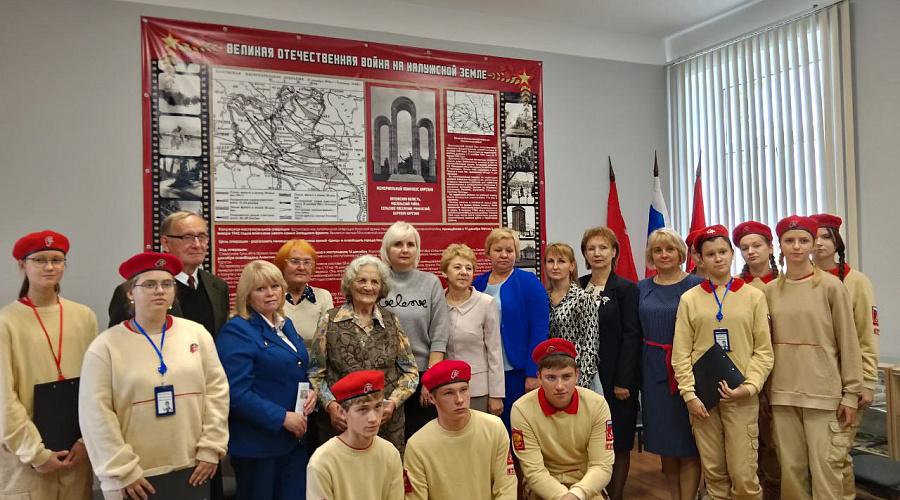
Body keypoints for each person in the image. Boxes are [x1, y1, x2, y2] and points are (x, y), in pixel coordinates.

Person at [79, 252, 229, 500]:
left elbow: (217, 392)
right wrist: (123, 470)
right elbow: (95, 414)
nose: (159, 290)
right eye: (149, 285)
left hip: (192, 467)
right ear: (130, 293)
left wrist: (211, 448)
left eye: (167, 284)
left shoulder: (196, 334)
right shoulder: (105, 346)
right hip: (134, 478)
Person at [672, 225, 774, 500]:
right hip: (703, 399)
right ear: (700, 259)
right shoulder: (689, 299)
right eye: (710, 254)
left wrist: (749, 387)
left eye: (723, 252)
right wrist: (689, 395)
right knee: (714, 473)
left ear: (732, 254)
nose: (718, 258)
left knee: (744, 475)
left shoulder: (753, 296)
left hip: (741, 397)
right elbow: (681, 354)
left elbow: (764, 351)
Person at [764, 215, 862, 500]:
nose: (796, 246)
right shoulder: (769, 291)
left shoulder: (832, 287)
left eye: (803, 240)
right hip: (782, 393)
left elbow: (849, 342)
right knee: (791, 471)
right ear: (780, 246)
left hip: (823, 393)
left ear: (812, 244)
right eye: (789, 240)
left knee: (826, 470)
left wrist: (851, 393)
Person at [0, 231, 97, 500]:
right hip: (26, 459)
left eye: (57, 259)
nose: (49, 267)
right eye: (40, 260)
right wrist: (36, 454)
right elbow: (4, 399)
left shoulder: (84, 316)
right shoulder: (6, 322)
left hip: (76, 453)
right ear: (22, 265)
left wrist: (85, 441)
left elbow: (96, 387)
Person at [215, 260, 318, 500]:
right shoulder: (237, 330)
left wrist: (311, 390)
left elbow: (297, 366)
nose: (270, 293)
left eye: (275, 286)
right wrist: (282, 418)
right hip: (259, 446)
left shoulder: (285, 324)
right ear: (247, 295)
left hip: (293, 441)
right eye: (261, 289)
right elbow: (236, 393)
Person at [308, 255, 419, 453]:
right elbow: (315, 373)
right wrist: (331, 406)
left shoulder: (391, 321)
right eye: (362, 280)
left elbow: (410, 372)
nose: (368, 287)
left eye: (374, 282)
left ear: (381, 288)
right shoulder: (329, 320)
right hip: (343, 425)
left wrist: (393, 403)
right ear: (350, 284)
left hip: (386, 427)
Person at [810, 213, 879, 500]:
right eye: (814, 237)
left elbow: (867, 334)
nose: (820, 243)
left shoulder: (856, 281)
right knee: (812, 462)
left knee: (835, 457)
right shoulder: (800, 281)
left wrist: (867, 382)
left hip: (845, 384)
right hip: (811, 383)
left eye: (826, 237)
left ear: (837, 242)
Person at [638, 228, 704, 500]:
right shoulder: (641, 288)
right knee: (665, 440)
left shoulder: (697, 285)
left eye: (670, 249)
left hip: (688, 371)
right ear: (651, 255)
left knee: (688, 442)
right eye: (657, 250)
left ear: (681, 253)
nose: (664, 255)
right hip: (652, 372)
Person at [578, 226, 641, 500]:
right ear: (584, 254)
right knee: (585, 441)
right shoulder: (578, 285)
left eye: (603, 247)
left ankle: (615, 496)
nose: (597, 253)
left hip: (617, 379)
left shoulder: (626, 289)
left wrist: (623, 381)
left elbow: (632, 336)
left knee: (617, 443)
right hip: (583, 378)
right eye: (591, 248)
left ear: (614, 252)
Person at [510, 339, 615, 500]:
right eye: (551, 378)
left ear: (577, 375)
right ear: (539, 377)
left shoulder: (597, 405)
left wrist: (576, 495)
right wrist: (564, 497)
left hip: (586, 486)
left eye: (566, 377)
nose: (559, 386)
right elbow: (534, 472)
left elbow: (601, 466)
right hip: (542, 490)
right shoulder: (522, 409)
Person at [404, 360, 516, 499]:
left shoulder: (494, 427)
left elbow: (506, 488)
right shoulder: (417, 445)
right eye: (449, 393)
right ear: (432, 399)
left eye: (463, 390)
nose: (459, 400)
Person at [108, 211, 230, 339]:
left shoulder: (218, 286)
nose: (197, 245)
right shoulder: (135, 290)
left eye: (201, 237)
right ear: (166, 243)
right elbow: (118, 341)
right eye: (187, 237)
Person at [379, 222, 450, 437]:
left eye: (410, 244)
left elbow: (439, 335)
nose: (405, 250)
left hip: (422, 376)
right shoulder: (376, 282)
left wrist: (430, 380)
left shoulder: (430, 283)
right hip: (385, 376)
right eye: (398, 244)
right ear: (387, 249)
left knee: (421, 440)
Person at [473, 228, 549, 429]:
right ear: (488, 253)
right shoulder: (477, 284)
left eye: (510, 250)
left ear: (517, 253)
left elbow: (539, 329)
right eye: (498, 250)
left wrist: (533, 372)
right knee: (486, 430)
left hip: (517, 372)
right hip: (483, 372)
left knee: (516, 429)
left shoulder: (529, 282)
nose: (504, 255)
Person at [731, 221, 780, 498]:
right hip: (747, 369)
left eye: (757, 245)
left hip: (782, 369)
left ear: (770, 247)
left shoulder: (784, 283)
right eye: (744, 247)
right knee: (750, 438)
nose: (751, 252)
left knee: (776, 440)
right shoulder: (735, 287)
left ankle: (775, 485)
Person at [306, 370, 404, 500]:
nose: (373, 418)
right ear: (342, 412)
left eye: (378, 406)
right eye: (363, 409)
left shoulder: (390, 453)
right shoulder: (322, 461)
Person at [440, 244, 504, 415]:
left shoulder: (486, 303)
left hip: (477, 390)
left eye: (469, 268)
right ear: (445, 272)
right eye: (457, 267)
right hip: (444, 389)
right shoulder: (437, 302)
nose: (464, 272)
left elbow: (495, 351)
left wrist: (496, 395)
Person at [544, 242, 599, 389]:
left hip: (577, 376)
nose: (555, 266)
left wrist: (580, 383)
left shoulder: (583, 299)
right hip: (550, 374)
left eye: (561, 261)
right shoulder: (542, 298)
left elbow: (590, 345)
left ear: (572, 266)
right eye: (550, 261)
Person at [274, 239, 334, 346]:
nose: (301, 267)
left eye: (307, 262)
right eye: (295, 261)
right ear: (282, 265)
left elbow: (328, 339)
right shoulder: (272, 297)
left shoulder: (324, 296)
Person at [733, 221, 779, 287]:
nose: (750, 251)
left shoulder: (783, 282)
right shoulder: (733, 285)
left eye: (757, 246)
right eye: (745, 248)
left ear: (770, 248)